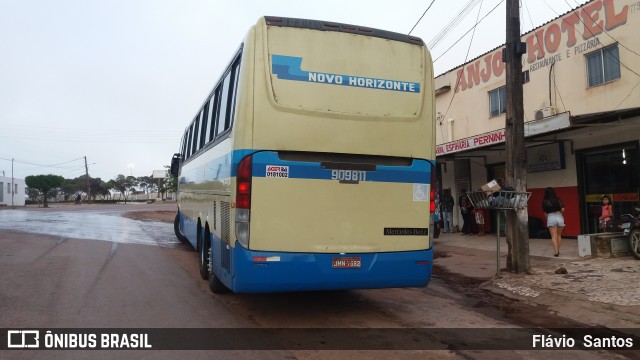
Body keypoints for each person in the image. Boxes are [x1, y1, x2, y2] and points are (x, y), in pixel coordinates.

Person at [542, 187, 564, 257]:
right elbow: (563, 209)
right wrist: (560, 214)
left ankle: (556, 252)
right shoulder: (558, 200)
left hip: (551, 216)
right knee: (559, 235)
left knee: (553, 236)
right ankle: (558, 250)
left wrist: (548, 218)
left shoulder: (544, 201)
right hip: (559, 216)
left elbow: (545, 212)